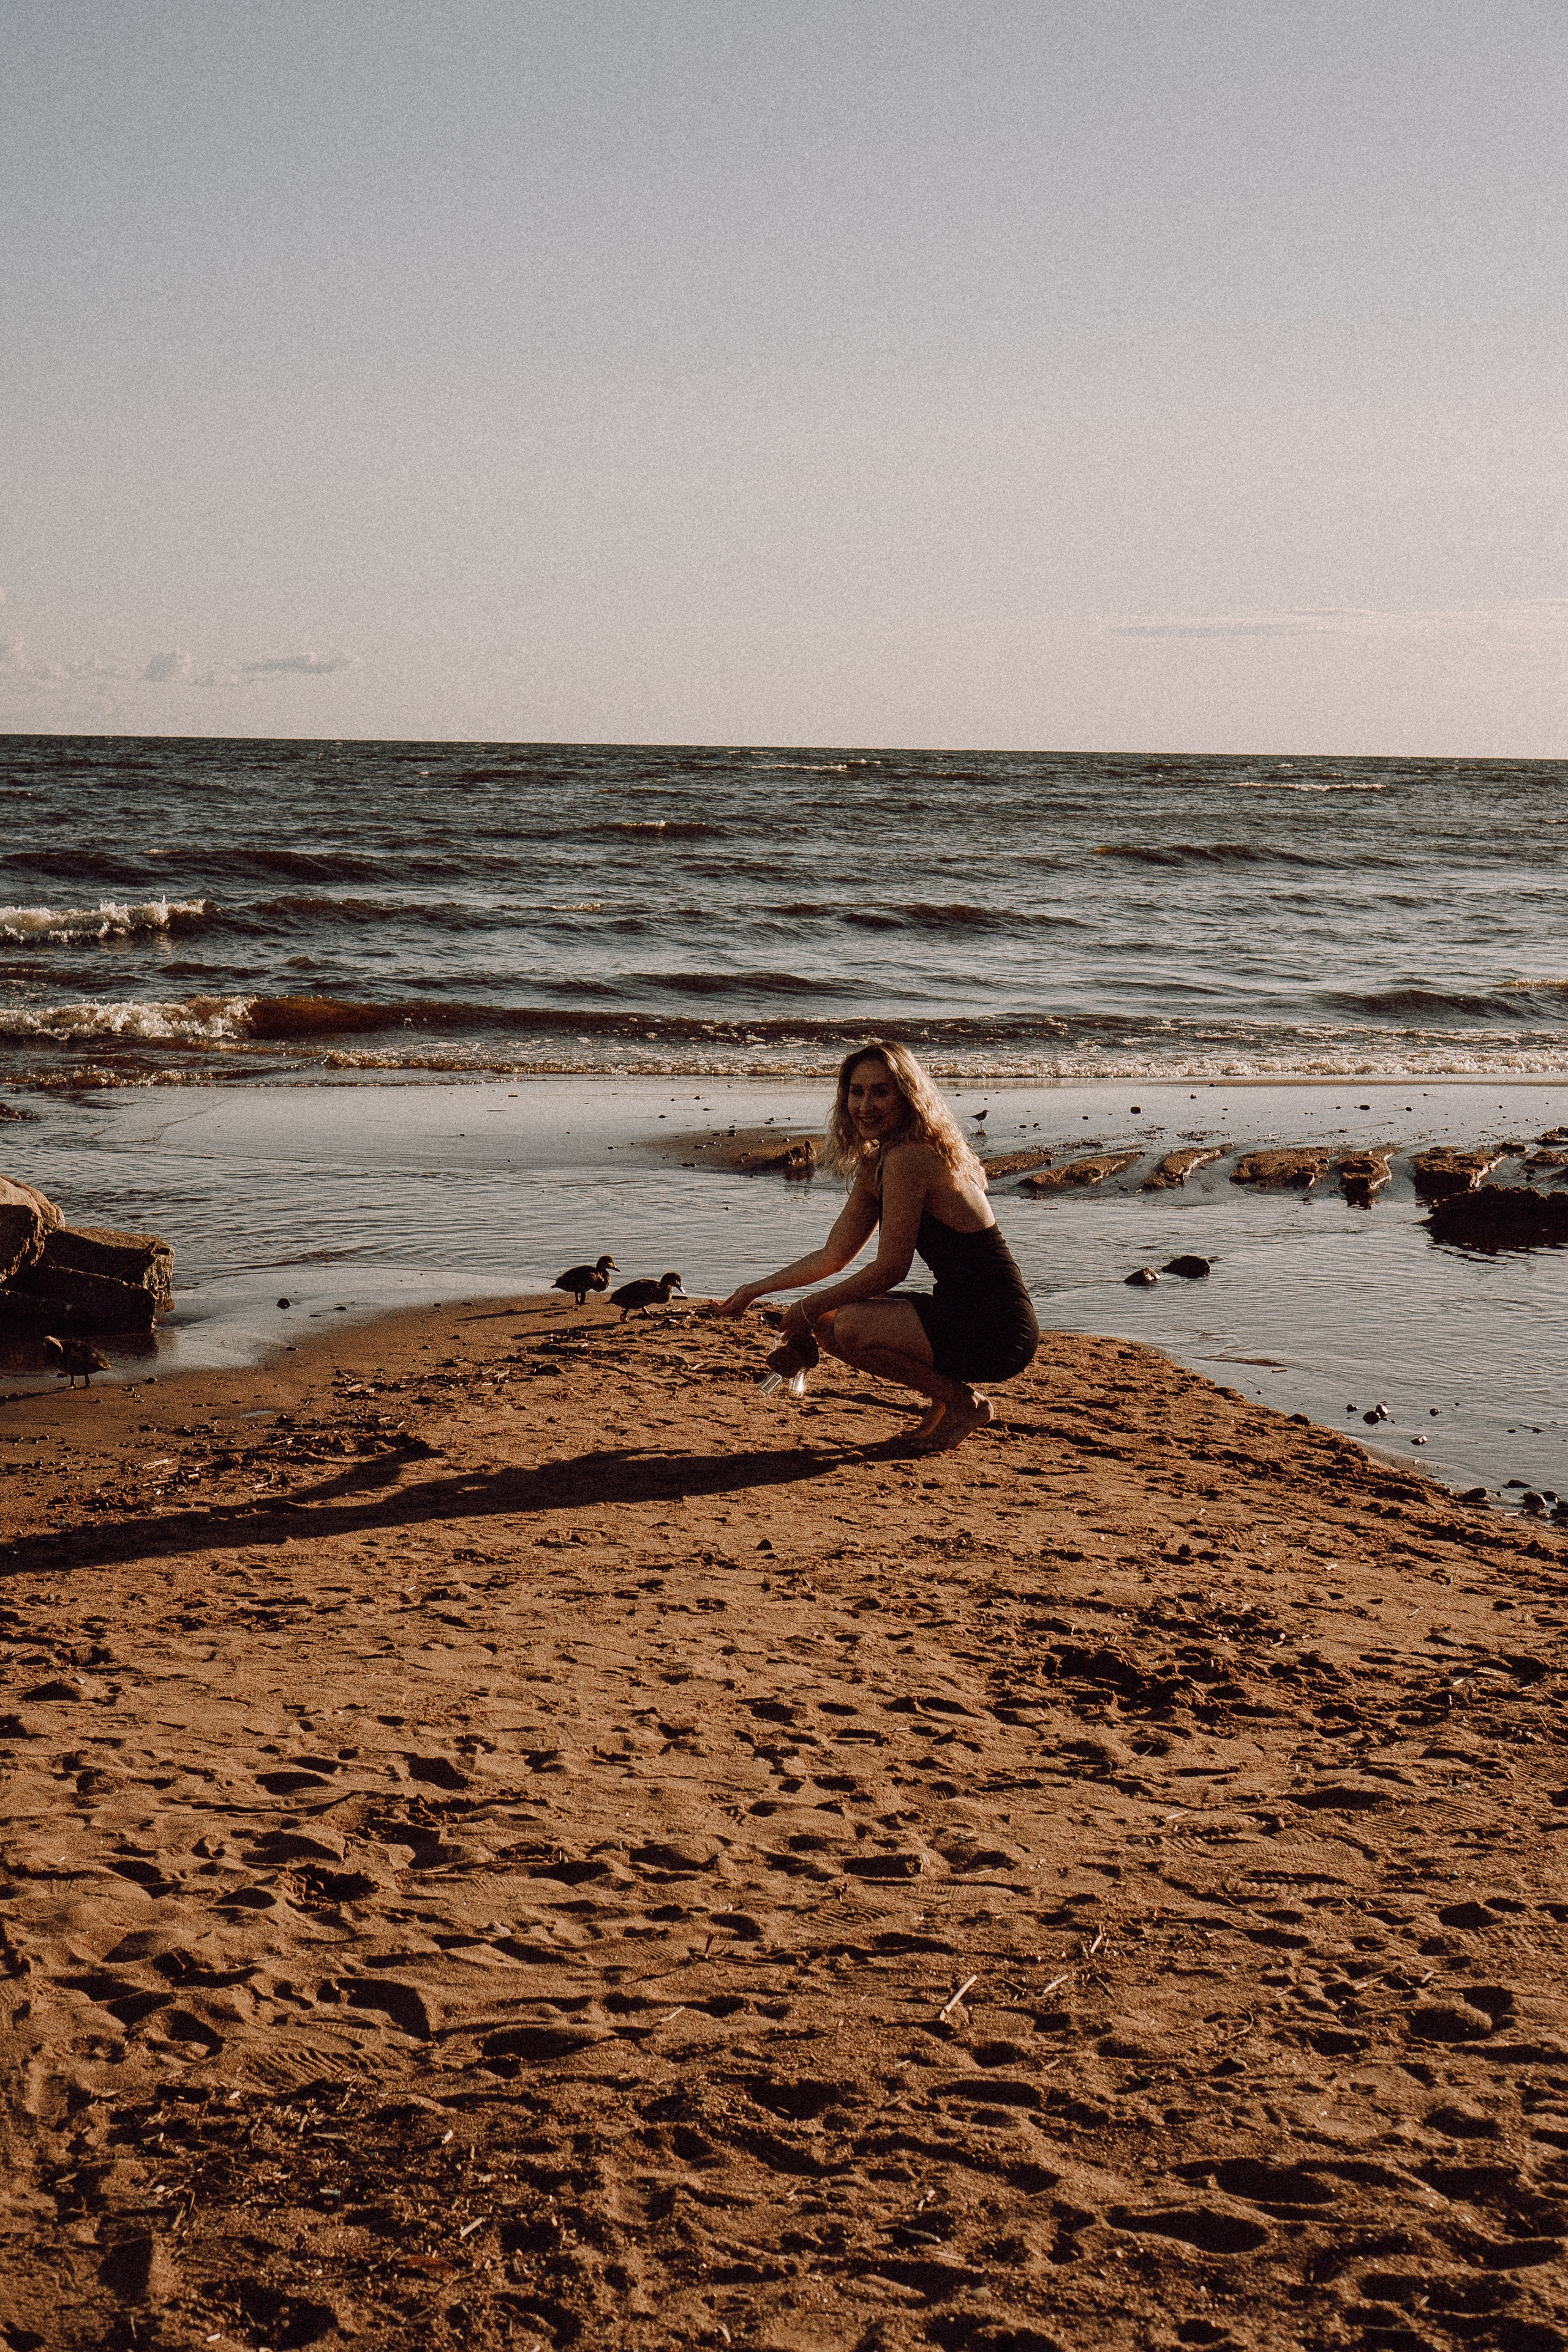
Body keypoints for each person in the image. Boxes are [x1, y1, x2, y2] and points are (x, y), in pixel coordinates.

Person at [712, 1041, 1039, 1451]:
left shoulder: (911, 1157)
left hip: (998, 1328)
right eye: (857, 1091)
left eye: (881, 1092)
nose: (865, 1105)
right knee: (832, 1323)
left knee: (846, 1324)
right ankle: (947, 1401)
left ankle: (964, 1404)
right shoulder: (880, 1161)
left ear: (908, 1097)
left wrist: (807, 1306)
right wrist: (754, 1291)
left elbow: (891, 1268)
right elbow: (834, 1254)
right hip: (955, 1311)